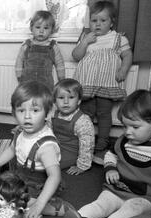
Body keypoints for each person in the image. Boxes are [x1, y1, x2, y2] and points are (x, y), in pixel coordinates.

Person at [58, 90, 151, 218]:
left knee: (133, 209)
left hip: (146, 199)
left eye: (135, 127)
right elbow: (111, 154)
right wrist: (110, 167)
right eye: (125, 126)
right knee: (102, 203)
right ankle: (80, 217)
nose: (128, 132)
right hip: (116, 190)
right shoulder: (123, 141)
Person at [0, 81, 75, 218]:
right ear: (14, 113)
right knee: (0, 190)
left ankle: (55, 206)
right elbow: (12, 149)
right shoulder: (19, 131)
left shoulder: (46, 146)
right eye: (21, 111)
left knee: (14, 203)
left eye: (35, 111)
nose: (27, 117)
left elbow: (54, 176)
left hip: (40, 185)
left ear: (48, 113)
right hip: (21, 176)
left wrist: (39, 204)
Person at [72, 1, 133, 162]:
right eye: (94, 20)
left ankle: (102, 142)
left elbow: (127, 55)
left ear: (111, 22)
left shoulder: (118, 38)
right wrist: (85, 42)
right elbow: (76, 56)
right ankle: (86, 140)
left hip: (106, 83)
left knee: (104, 114)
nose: (98, 24)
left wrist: (123, 70)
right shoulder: (86, 37)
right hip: (87, 83)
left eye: (103, 20)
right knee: (86, 114)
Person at [51, 78, 95, 175]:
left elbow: (87, 145)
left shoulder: (82, 121)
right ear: (55, 101)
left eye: (71, 97)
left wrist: (82, 165)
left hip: (71, 153)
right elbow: (45, 131)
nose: (66, 102)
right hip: (56, 146)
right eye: (61, 98)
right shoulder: (53, 114)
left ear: (79, 101)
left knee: (48, 164)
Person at [15, 10, 65, 92]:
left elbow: (60, 64)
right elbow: (19, 61)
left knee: (45, 103)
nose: (41, 31)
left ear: (52, 30)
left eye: (46, 28)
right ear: (31, 28)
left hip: (46, 85)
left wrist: (61, 79)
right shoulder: (27, 45)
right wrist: (19, 77)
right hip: (27, 84)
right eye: (38, 27)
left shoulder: (53, 46)